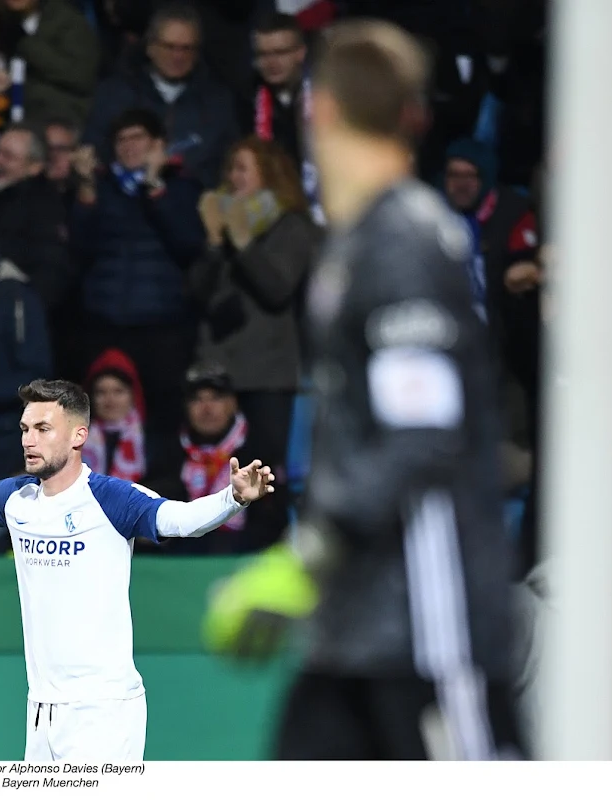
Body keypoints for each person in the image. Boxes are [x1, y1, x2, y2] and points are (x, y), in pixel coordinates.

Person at [203, 20, 522, 760]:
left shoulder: (402, 242)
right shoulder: (361, 240)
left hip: (426, 619)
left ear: (319, 110)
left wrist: (306, 556)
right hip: (352, 626)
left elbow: (422, 435)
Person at [0, 378, 273, 761]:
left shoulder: (113, 498)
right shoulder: (18, 499)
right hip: (41, 712)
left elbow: (180, 521)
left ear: (78, 436)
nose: (27, 440)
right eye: (24, 428)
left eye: (42, 428)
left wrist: (230, 498)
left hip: (104, 711)